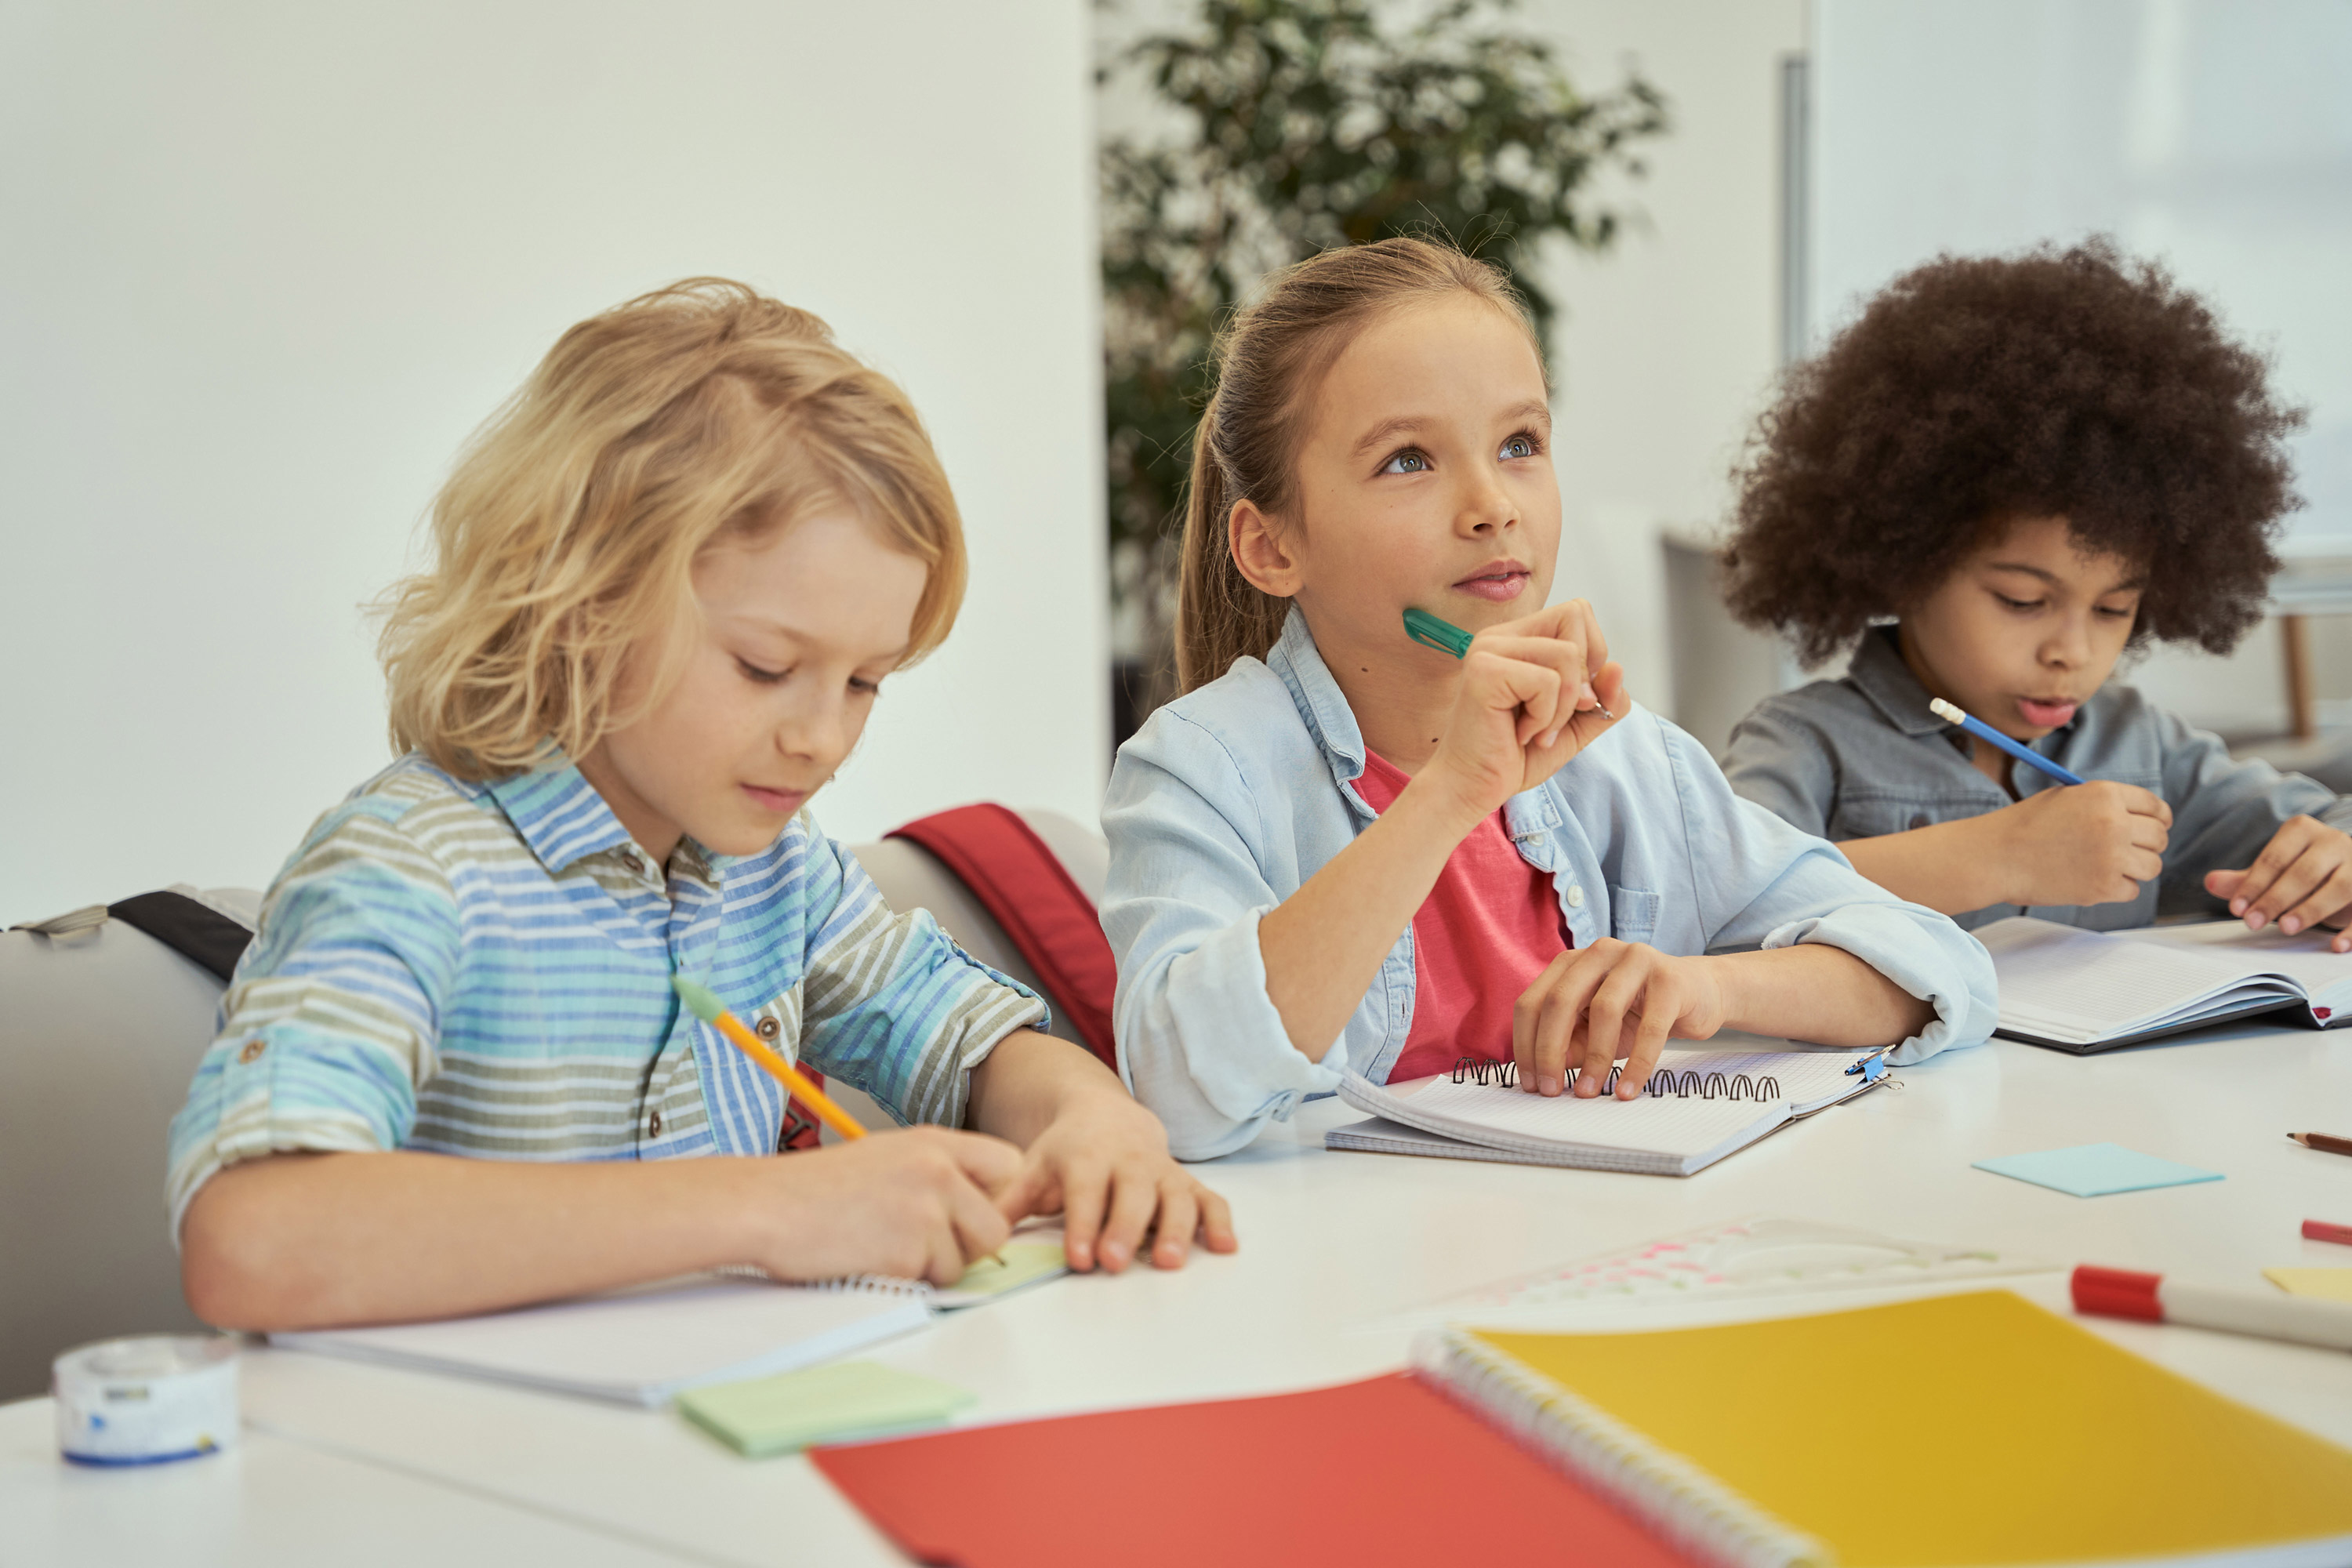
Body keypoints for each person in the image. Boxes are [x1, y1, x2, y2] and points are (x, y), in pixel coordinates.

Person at [172, 279, 1233, 1330]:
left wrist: (1097, 1124)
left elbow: (976, 1045)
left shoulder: (775, 872)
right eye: (766, 667)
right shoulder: (406, 872)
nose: (822, 737)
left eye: (865, 682)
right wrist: (766, 1210)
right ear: (579, 606)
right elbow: (252, 1237)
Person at [1102, 238, 1994, 1161]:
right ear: (1272, 547)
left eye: (1519, 444)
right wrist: (1449, 793)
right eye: (1409, 460)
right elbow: (1179, 1092)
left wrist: (1709, 988)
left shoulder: (1626, 757)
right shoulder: (1198, 768)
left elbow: (1933, 967)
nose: (1493, 504)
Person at [1718, 241, 2351, 950]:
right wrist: (2002, 857)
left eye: (2115, 610)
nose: (2071, 653)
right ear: (1905, 560)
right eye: (2022, 600)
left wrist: (2333, 868)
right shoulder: (1806, 744)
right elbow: (1719, 906)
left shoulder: (2139, 747)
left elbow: (2331, 826)